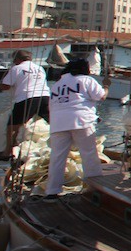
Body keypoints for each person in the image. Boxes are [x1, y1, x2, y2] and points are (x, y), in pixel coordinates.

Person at [45, 57, 108, 197]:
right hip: (81, 121)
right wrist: (107, 87)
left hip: (58, 123)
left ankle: (52, 191)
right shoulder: (86, 80)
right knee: (88, 154)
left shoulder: (57, 85)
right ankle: (95, 187)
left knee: (57, 157)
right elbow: (101, 96)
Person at [0, 49, 50, 158]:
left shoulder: (16, 68)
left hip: (27, 99)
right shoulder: (39, 68)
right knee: (52, 123)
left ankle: (7, 152)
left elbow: (6, 86)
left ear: (17, 59)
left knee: (12, 127)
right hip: (45, 97)